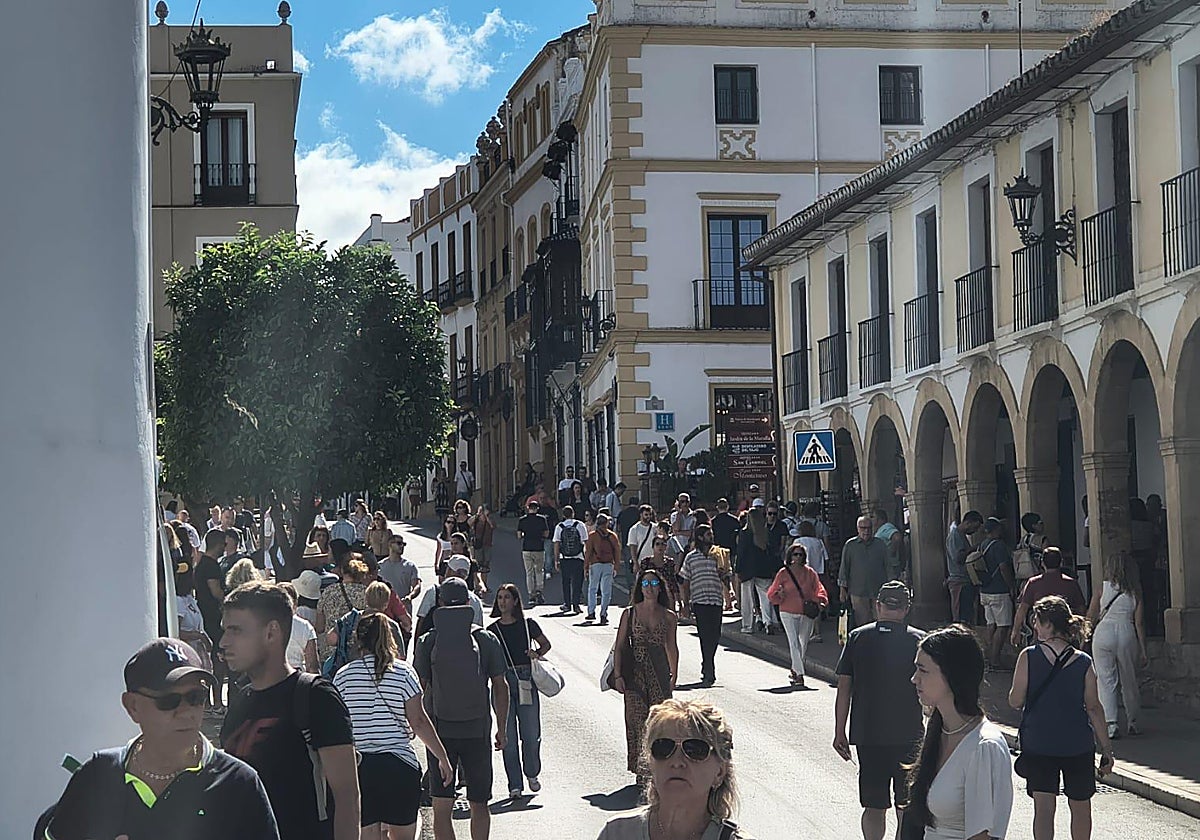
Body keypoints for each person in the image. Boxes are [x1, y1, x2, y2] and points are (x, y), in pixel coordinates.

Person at [42, 638, 279, 840]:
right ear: (132, 706)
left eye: (196, 697)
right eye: (169, 701)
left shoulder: (239, 783)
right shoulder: (97, 774)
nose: (187, 712)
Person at [220, 582, 360, 840]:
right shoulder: (241, 701)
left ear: (271, 632)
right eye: (225, 631)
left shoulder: (315, 696)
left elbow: (347, 796)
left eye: (236, 631)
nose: (224, 642)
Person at [334, 613, 453, 840]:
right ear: (389, 638)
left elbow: (339, 726)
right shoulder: (404, 673)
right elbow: (418, 721)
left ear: (358, 640)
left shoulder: (343, 676)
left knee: (366, 833)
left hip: (360, 767)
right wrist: (442, 756)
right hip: (398, 766)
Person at [1008, 596, 1114, 840]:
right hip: (1077, 744)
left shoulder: (1028, 656)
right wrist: (1106, 749)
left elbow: (1015, 701)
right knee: (1080, 806)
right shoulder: (1083, 661)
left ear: (1047, 624)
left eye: (1036, 621)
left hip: (1039, 742)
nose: (1034, 626)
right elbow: (1094, 708)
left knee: (1044, 809)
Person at [413, 577, 509, 840]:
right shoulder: (486, 639)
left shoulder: (428, 641)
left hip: (438, 732)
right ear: (469, 603)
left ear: (439, 604)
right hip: (477, 730)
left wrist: (415, 727)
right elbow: (501, 686)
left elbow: (417, 689)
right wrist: (502, 728)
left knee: (441, 806)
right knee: (479, 802)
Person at [833, 581, 924, 840]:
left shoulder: (858, 637)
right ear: (907, 608)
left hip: (868, 734)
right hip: (909, 735)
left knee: (873, 805)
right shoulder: (919, 640)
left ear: (877, 606)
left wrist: (840, 731)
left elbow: (844, 688)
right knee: (905, 805)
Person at [904, 625, 1013, 840]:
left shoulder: (984, 747)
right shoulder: (939, 731)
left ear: (953, 674)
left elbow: (983, 836)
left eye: (923, 670)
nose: (914, 679)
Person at [596, 700, 753, 840]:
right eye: (663, 747)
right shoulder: (616, 833)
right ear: (651, 763)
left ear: (720, 772)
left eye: (694, 749)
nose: (676, 762)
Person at [614, 568, 679, 783]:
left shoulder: (669, 616)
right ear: (640, 589)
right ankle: (641, 769)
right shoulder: (630, 613)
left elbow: (672, 646)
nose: (649, 588)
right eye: (645, 584)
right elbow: (620, 646)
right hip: (635, 673)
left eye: (653, 584)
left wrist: (674, 674)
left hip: (659, 674)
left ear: (660, 588)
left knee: (659, 724)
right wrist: (618, 675)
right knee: (636, 721)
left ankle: (657, 767)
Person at [488, 583, 552, 799]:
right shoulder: (492, 631)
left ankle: (532, 773)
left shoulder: (528, 625)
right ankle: (514, 785)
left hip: (525, 680)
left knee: (531, 733)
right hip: (501, 683)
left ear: (515, 601)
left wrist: (536, 653)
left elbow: (546, 645)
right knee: (507, 736)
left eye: (507, 597)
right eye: (500, 598)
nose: (502, 602)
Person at [1087, 551, 1147, 739]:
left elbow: (1091, 614)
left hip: (1104, 632)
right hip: (1126, 631)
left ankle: (1111, 723)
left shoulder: (1101, 589)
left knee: (1105, 680)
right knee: (1129, 679)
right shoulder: (1135, 592)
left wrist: (1084, 636)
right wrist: (1143, 649)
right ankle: (1133, 721)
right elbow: (1139, 623)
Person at [767, 541, 828, 687]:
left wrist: (820, 600)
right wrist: (779, 594)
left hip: (805, 612)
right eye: (795, 554)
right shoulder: (783, 573)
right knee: (793, 642)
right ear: (790, 556)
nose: (798, 557)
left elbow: (818, 589)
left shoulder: (810, 573)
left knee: (803, 643)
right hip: (787, 611)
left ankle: (795, 669)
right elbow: (772, 592)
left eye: (801, 555)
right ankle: (800, 674)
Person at [679, 524, 729, 688]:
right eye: (708, 534)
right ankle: (709, 668)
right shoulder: (691, 557)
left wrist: (726, 582)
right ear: (700, 537)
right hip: (699, 601)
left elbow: (726, 576)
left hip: (716, 599)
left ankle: (708, 661)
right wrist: (685, 603)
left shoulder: (718, 555)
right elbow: (685, 581)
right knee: (704, 635)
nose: (711, 536)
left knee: (715, 635)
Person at [1011, 547, 1086, 649]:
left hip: (1041, 634)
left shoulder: (1033, 583)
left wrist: (1016, 631)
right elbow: (1081, 610)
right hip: (1065, 636)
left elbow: (1022, 609)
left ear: (1042, 563)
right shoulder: (1071, 584)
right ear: (1061, 562)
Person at [194, 529, 230, 712]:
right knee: (218, 660)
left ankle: (209, 702)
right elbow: (216, 592)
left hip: (203, 615)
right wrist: (229, 600)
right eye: (224, 543)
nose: (225, 547)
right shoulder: (211, 566)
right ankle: (216, 702)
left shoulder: (200, 564)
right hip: (213, 618)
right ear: (217, 543)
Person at [977, 517, 1016, 669]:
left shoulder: (982, 545)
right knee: (1003, 626)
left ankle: (986, 658)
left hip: (985, 590)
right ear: (996, 530)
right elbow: (1003, 567)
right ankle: (995, 660)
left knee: (990, 625)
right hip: (999, 591)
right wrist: (1011, 585)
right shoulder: (998, 546)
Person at [315, 556, 371, 662]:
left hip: (331, 651)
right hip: (356, 652)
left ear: (342, 572)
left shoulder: (329, 591)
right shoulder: (366, 594)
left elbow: (320, 627)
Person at [840, 516, 890, 631]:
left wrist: (891, 585)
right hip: (858, 591)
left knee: (880, 620)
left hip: (878, 590)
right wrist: (843, 589)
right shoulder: (850, 545)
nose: (866, 531)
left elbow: (888, 565)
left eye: (868, 528)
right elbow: (844, 568)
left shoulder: (880, 544)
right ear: (858, 529)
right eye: (863, 528)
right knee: (862, 623)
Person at [737, 506, 779, 635]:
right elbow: (771, 553)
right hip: (763, 568)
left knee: (747, 599)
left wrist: (738, 568)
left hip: (748, 569)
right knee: (765, 596)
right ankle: (769, 621)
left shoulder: (744, 533)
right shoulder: (765, 533)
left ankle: (747, 625)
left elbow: (741, 553)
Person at [415, 555, 486, 629]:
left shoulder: (433, 592)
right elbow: (479, 629)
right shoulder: (475, 600)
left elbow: (421, 620)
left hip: (436, 640)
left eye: (448, 568)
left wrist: (418, 640)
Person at [793, 520, 830, 641]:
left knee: (803, 603)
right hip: (817, 574)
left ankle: (806, 631)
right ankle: (816, 631)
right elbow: (825, 558)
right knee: (815, 602)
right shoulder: (819, 542)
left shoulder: (798, 542)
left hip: (802, 574)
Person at [946, 511, 984, 625]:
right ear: (968, 523)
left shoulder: (961, 536)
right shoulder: (955, 536)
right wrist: (973, 549)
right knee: (961, 616)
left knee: (967, 614)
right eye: (975, 527)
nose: (975, 531)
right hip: (959, 581)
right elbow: (958, 558)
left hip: (966, 580)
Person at [585, 512, 623, 625]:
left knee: (592, 589)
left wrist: (586, 566)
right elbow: (617, 551)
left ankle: (591, 611)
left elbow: (588, 552)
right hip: (608, 565)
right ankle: (603, 614)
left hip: (595, 564)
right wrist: (616, 565)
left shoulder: (592, 535)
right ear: (607, 523)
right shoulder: (612, 536)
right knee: (606, 591)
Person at [554, 504, 589, 616]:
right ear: (573, 513)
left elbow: (556, 544)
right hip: (578, 557)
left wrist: (556, 560)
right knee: (578, 581)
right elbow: (585, 542)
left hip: (565, 558)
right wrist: (587, 559)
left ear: (563, 515)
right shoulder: (580, 525)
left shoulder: (559, 527)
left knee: (566, 581)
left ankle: (567, 604)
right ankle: (576, 604)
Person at [279, 582, 320, 674]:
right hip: (296, 677)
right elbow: (312, 665)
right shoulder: (305, 626)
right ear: (295, 602)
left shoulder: (264, 624)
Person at [518, 500, 550, 606]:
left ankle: (531, 595)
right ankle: (539, 591)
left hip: (527, 548)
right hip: (539, 547)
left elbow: (519, 535)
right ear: (537, 509)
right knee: (539, 571)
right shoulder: (542, 519)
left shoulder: (522, 520)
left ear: (528, 508)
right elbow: (546, 533)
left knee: (529, 573)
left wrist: (524, 535)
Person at [873, 509, 906, 582]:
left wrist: (892, 551)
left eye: (874, 517)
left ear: (880, 519)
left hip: (890, 566)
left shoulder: (886, 527)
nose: (872, 520)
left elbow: (897, 537)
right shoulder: (879, 530)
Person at [627, 504, 659, 576]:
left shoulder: (655, 527)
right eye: (646, 514)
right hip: (641, 561)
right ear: (641, 515)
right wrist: (635, 563)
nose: (648, 517)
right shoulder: (634, 529)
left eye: (650, 514)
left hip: (654, 560)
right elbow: (633, 547)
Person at [472, 503, 497, 589]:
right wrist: (476, 515)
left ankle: (485, 585)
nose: (482, 513)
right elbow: (469, 523)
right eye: (481, 511)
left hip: (487, 545)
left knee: (485, 566)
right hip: (478, 545)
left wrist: (487, 517)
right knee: (477, 566)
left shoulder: (490, 519)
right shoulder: (476, 520)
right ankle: (477, 585)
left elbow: (493, 526)